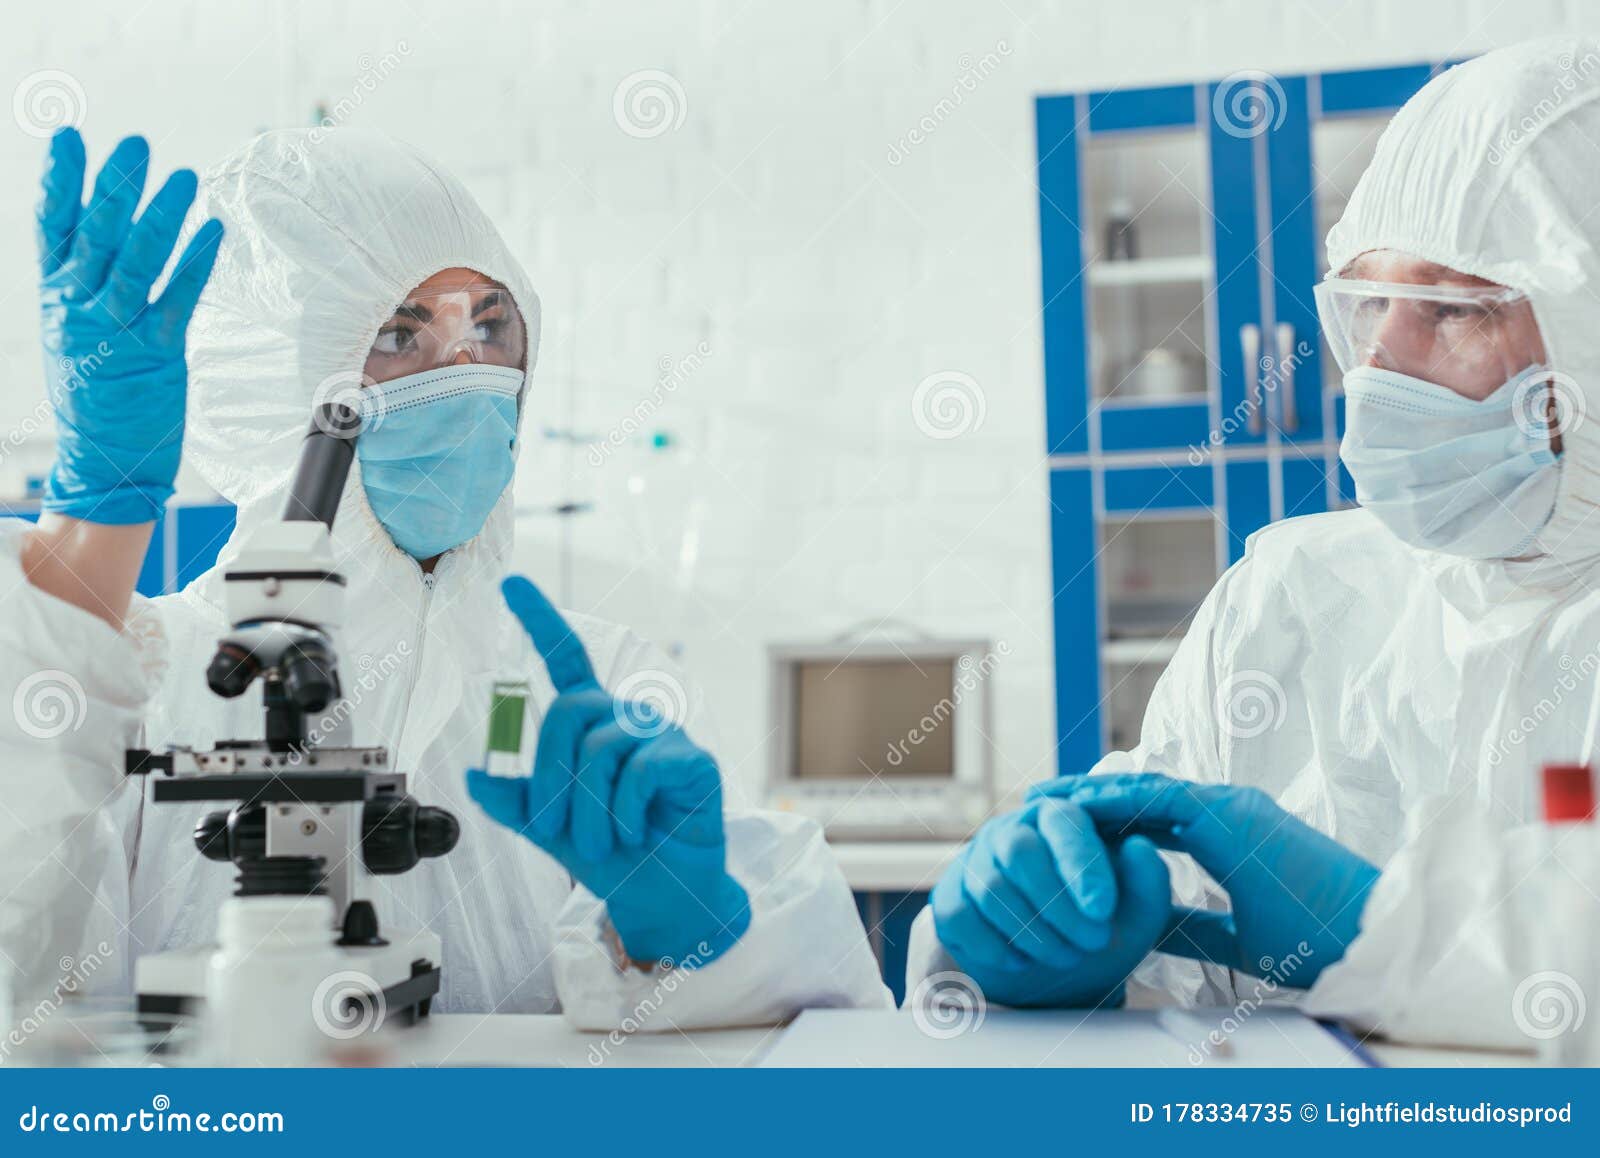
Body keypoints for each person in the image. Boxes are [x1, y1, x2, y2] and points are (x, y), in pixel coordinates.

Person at [1, 125, 890, 1027]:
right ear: (279, 390)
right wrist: (89, 529)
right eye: (401, 334)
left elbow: (830, 1019)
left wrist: (681, 933)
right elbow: (22, 986)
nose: (468, 374)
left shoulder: (589, 684)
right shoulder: (134, 680)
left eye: (491, 327)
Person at [910, 36, 1600, 1050]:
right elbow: (1160, 945)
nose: (1376, 365)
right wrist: (1049, 944)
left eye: (1453, 309)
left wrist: (1371, 929)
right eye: (1368, 303)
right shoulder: (1293, 595)